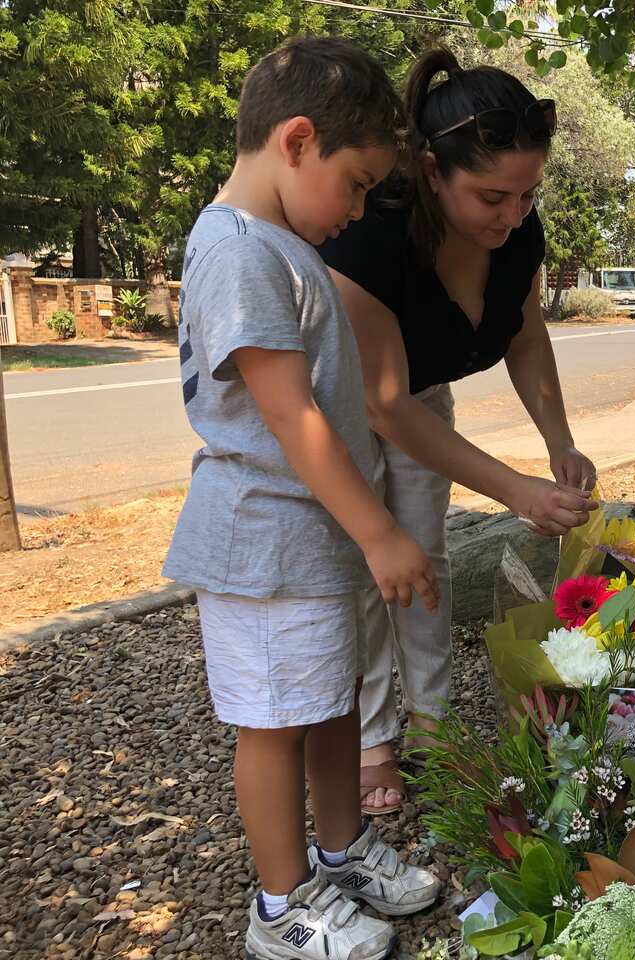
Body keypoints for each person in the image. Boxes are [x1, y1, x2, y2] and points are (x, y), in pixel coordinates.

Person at [163, 37, 441, 959]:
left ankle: (340, 849)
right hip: (263, 543)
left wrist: (360, 531)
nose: (358, 208)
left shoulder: (277, 243)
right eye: (357, 183)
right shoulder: (240, 251)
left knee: (325, 707)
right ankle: (281, 909)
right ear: (296, 140)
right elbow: (289, 416)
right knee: (276, 725)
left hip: (307, 539)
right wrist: (380, 530)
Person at [320, 45, 597, 815]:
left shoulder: (520, 236)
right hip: (338, 404)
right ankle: (375, 740)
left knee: (426, 559)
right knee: (368, 565)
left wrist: (558, 442)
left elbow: (525, 336)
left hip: (419, 393)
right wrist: (515, 492)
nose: (513, 215)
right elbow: (380, 403)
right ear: (432, 174)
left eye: (527, 193)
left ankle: (434, 725)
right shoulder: (369, 233)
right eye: (491, 196)